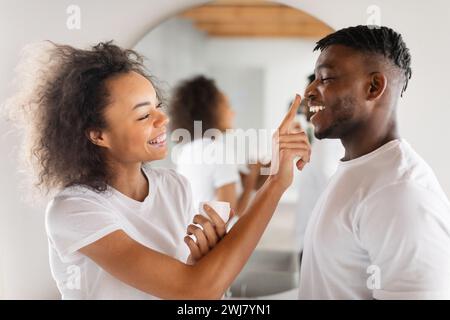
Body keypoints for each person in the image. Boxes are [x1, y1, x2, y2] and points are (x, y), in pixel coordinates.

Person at [7, 41, 310, 299]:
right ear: (98, 134)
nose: (162, 120)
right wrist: (274, 184)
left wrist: (200, 261)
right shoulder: (74, 209)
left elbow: (190, 286)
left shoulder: (174, 186)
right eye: (143, 115)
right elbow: (195, 289)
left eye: (157, 106)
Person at [299, 25, 450, 299]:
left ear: (373, 86)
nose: (309, 91)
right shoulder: (356, 169)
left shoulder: (400, 194)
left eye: (326, 78)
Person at [170, 75, 260, 217]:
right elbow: (228, 216)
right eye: (227, 105)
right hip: (215, 238)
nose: (233, 112)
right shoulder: (219, 152)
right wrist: (251, 179)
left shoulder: (186, 150)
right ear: (211, 110)